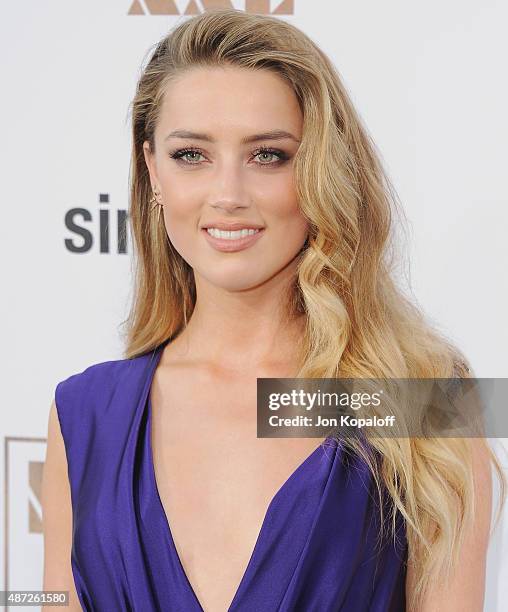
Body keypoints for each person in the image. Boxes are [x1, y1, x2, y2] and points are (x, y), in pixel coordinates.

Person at [41, 8, 506, 612]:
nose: (228, 194)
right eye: (191, 155)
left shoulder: (421, 400)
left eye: (268, 155)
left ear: (320, 169)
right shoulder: (84, 418)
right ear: (152, 169)